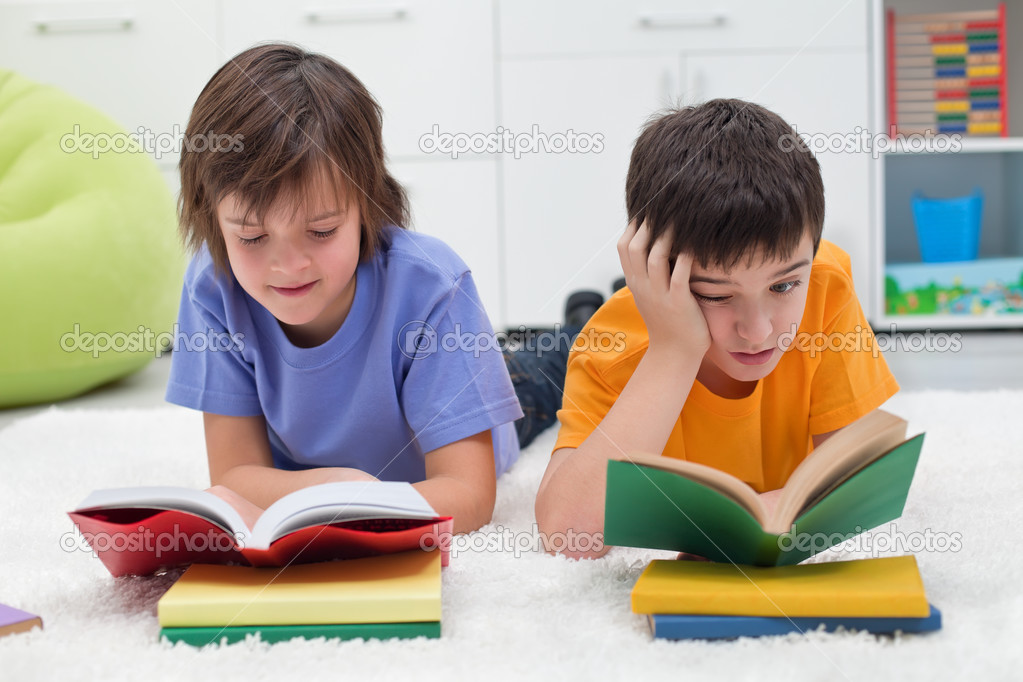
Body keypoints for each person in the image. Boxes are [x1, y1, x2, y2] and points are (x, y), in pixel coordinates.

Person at [166, 43, 585, 535]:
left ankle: (581, 322)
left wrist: (346, 497)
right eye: (252, 237)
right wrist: (343, 488)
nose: (289, 266)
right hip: (371, 479)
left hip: (471, 391)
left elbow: (467, 495)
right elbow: (233, 480)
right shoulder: (212, 287)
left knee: (548, 366)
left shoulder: (432, 286)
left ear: (370, 205)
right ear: (211, 219)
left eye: (321, 232)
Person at [534, 99, 900, 559]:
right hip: (629, 329)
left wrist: (768, 511)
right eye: (716, 294)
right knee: (551, 352)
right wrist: (672, 350)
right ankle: (584, 310)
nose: (758, 330)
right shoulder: (610, 345)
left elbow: (862, 475)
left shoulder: (826, 284)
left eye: (784, 285)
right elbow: (569, 535)